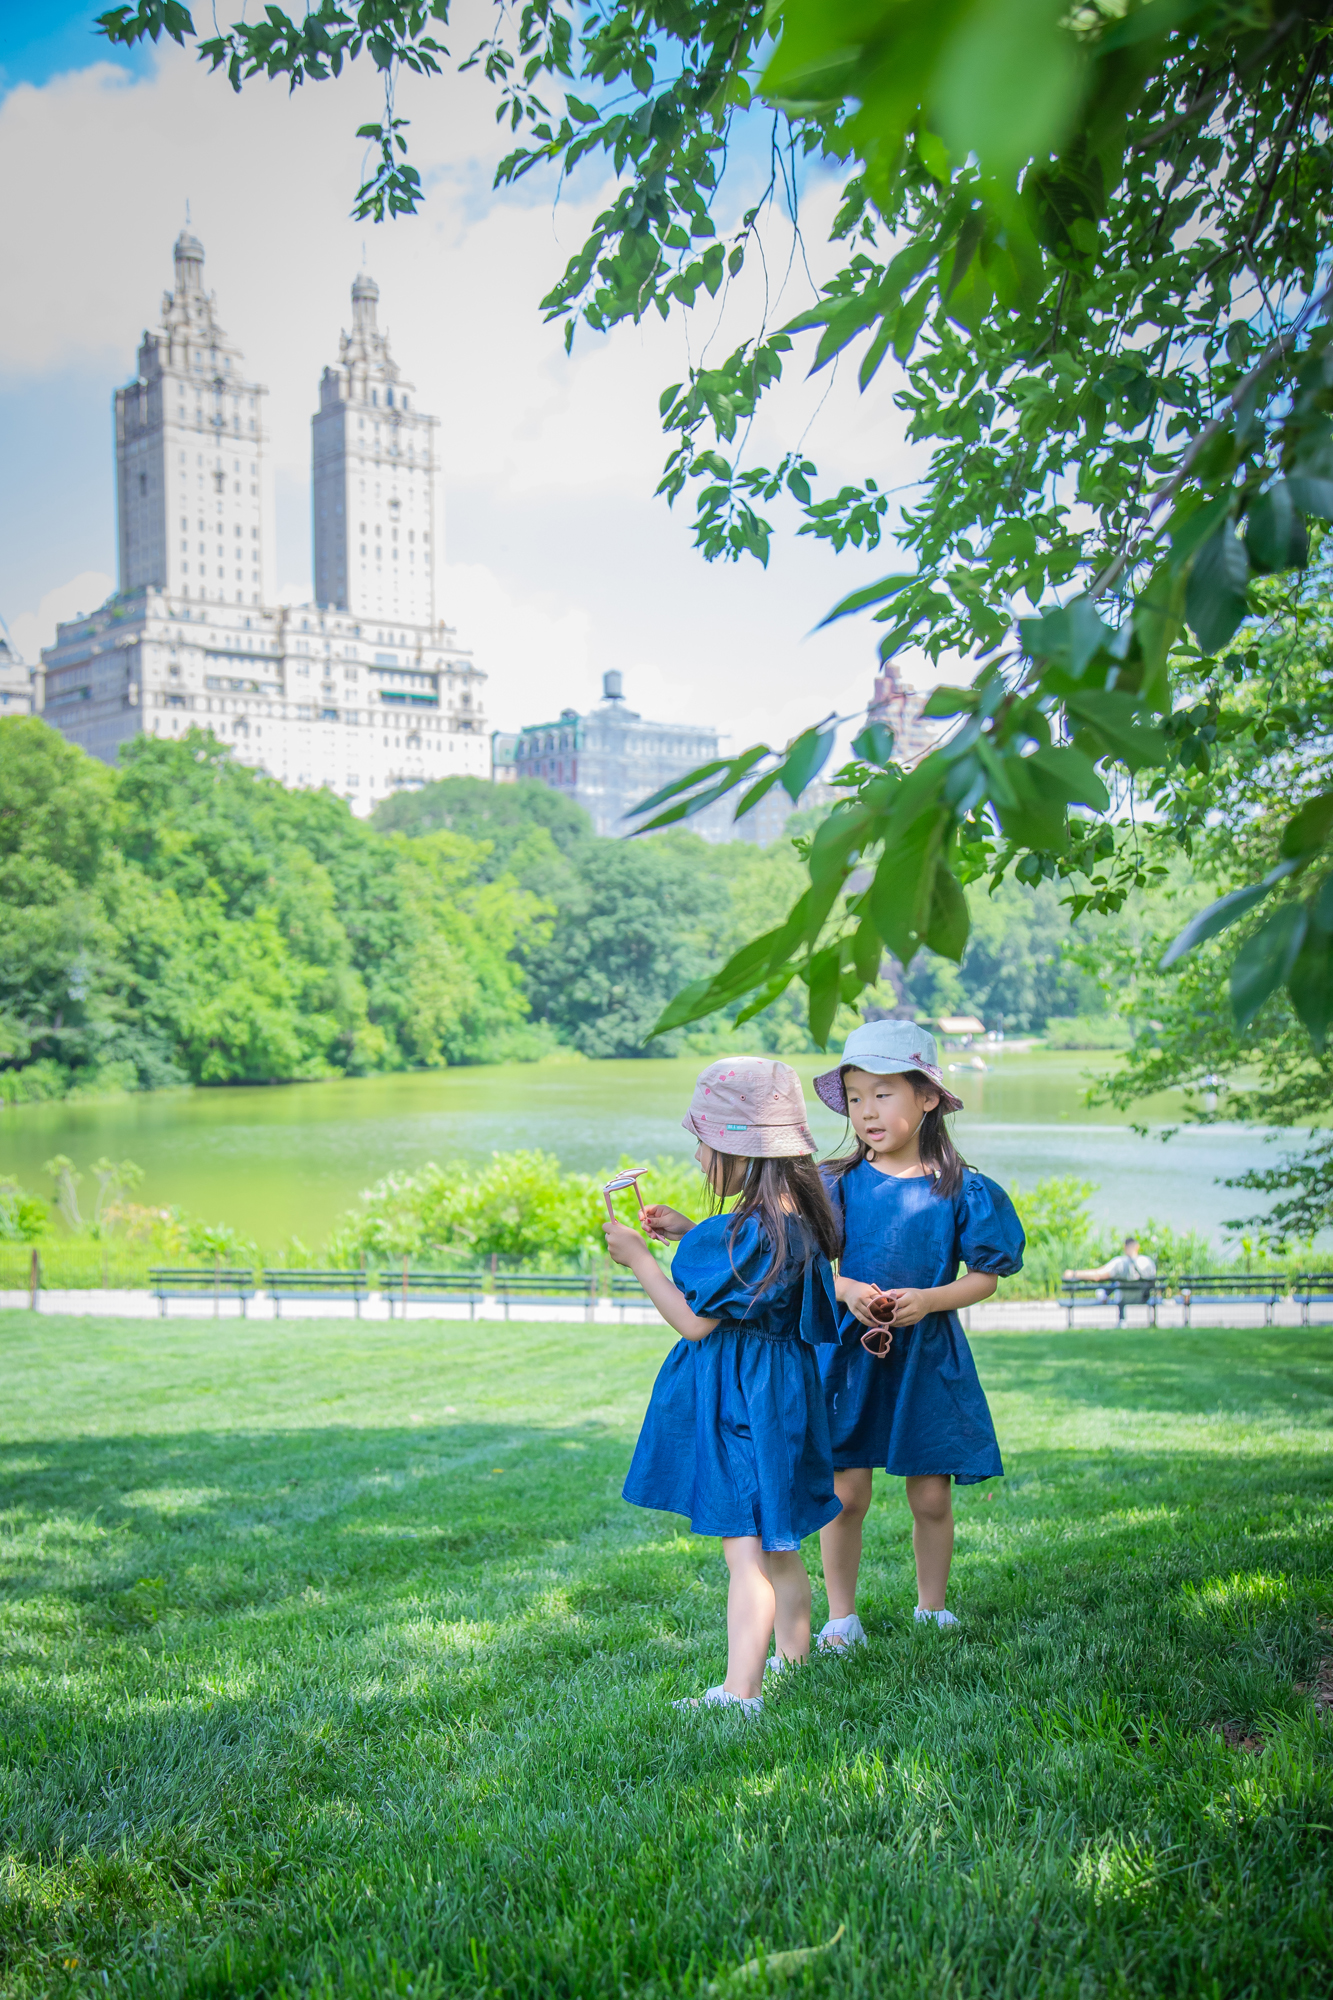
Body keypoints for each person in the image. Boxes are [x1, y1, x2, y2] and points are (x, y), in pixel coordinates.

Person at [603, 1057, 843, 1717]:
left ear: (738, 1151)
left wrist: (641, 1260)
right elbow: (751, 1277)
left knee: (745, 1555)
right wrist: (688, 1234)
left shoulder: (738, 1234)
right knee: (779, 1539)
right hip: (781, 1399)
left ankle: (740, 1695)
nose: (700, 1156)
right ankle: (796, 1660)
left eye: (704, 1143)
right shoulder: (794, 1219)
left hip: (742, 1404)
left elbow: (692, 1323)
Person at [812, 1021, 1025, 1646]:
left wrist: (931, 1299)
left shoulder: (960, 1187)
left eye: (883, 1094)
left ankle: (931, 1607)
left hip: (927, 1359)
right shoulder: (836, 1184)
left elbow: (986, 1276)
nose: (866, 1111)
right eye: (855, 1097)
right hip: (849, 1359)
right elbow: (808, 1261)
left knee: (930, 1493)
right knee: (845, 1494)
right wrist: (846, 1289)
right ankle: (840, 1618)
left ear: (927, 1097)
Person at [1063, 1237, 1158, 1286]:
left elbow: (1097, 1275)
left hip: (1124, 1301)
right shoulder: (1148, 1261)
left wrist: (1074, 1273)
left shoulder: (1120, 1262)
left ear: (1124, 1247)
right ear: (1137, 1247)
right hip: (1143, 1300)